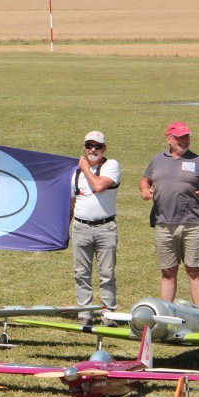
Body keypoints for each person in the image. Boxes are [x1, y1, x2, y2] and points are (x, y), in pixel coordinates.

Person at [139, 122, 199, 307]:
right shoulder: (157, 159)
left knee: (193, 270)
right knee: (168, 271)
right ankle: (166, 313)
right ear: (169, 139)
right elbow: (145, 179)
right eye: (179, 138)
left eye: (186, 137)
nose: (184, 141)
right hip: (163, 222)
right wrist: (145, 188)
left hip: (192, 223)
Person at [70, 130, 120, 325]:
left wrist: (85, 168)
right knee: (81, 273)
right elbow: (72, 202)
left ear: (104, 149)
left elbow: (99, 186)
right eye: (89, 145)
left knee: (107, 273)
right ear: (83, 147)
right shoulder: (74, 174)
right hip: (81, 227)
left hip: (105, 227)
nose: (93, 149)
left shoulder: (111, 166)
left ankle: (108, 314)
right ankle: (85, 313)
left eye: (98, 146)